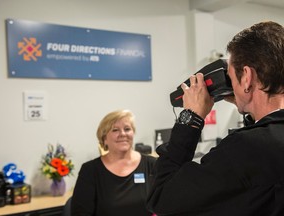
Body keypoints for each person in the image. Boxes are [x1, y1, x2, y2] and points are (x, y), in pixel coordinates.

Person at [146, 21, 284, 216]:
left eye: (231, 77)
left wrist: (190, 118)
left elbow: (161, 198)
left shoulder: (244, 148)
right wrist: (246, 102)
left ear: (246, 77)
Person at [71, 109, 156, 216]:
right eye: (115, 130)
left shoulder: (152, 165)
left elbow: (166, 205)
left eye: (127, 129)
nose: (123, 134)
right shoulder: (90, 171)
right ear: (104, 139)